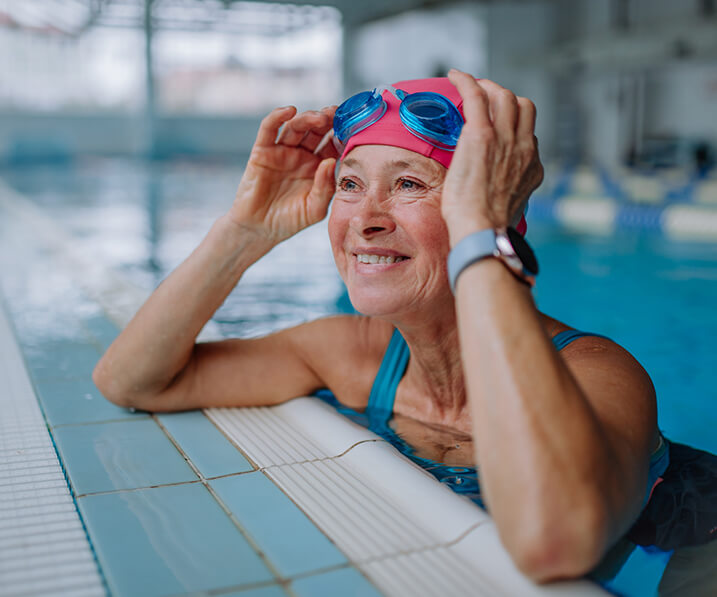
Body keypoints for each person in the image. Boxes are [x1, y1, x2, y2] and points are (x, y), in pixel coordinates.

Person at [93, 69, 667, 582]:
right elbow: (134, 381)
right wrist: (246, 231)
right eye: (350, 184)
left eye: (410, 184)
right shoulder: (354, 354)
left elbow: (554, 542)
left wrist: (479, 233)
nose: (364, 220)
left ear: (495, 216)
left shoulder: (596, 373)